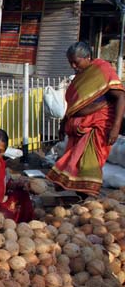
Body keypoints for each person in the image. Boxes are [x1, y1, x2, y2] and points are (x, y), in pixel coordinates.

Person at [47, 41, 125, 196]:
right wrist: (63, 125)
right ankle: (80, 198)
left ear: (88, 57)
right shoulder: (79, 78)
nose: (73, 67)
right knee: (74, 164)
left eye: (76, 62)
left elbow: (121, 96)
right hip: (78, 128)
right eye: (71, 63)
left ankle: (87, 196)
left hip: (97, 127)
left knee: (90, 164)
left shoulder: (103, 70)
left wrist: (116, 127)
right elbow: (72, 105)